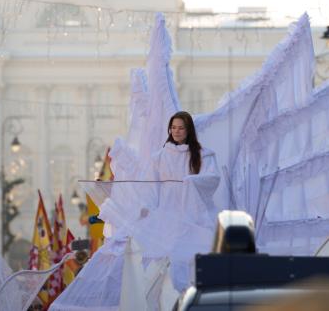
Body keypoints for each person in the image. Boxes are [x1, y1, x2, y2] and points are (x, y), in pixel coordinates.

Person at [50, 111, 223, 310]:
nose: (176, 131)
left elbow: (212, 179)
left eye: (181, 128)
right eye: (173, 127)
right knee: (150, 259)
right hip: (165, 216)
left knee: (190, 259)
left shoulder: (203, 155)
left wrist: (191, 183)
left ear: (188, 130)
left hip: (193, 216)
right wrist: (145, 208)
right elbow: (151, 188)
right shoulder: (160, 157)